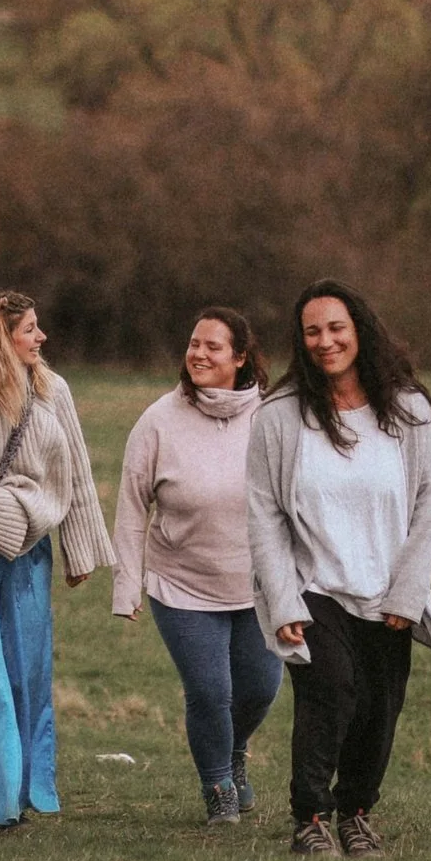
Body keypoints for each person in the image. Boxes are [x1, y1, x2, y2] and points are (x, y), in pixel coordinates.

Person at [248, 279, 431, 859]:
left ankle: (355, 812)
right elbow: (265, 516)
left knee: (379, 709)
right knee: (329, 690)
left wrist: (408, 595)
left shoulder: (410, 412)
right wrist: (282, 602)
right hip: (315, 589)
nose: (325, 342)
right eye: (312, 332)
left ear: (360, 330)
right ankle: (310, 818)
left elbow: (430, 505)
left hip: (388, 594)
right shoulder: (280, 417)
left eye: (336, 328)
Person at [0, 287, 113, 834]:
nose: (41, 337)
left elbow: (75, 473)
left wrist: (79, 550)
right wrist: (11, 505)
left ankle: (33, 786)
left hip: (32, 551)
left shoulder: (52, 390)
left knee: (30, 675)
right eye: (29, 329)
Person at [112, 306, 280, 826]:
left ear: (240, 357)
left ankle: (234, 753)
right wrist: (127, 586)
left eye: (212, 346)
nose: (199, 353)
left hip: (258, 585)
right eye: (193, 343)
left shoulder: (271, 417)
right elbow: (132, 504)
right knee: (211, 691)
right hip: (181, 583)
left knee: (259, 688)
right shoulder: (159, 420)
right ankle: (218, 787)